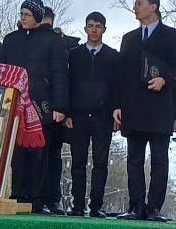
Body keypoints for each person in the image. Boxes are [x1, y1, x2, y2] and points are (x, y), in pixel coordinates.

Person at [115, 0, 176, 222]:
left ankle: (154, 208)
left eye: (139, 3)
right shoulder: (129, 38)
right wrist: (117, 105)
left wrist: (165, 80)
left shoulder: (173, 36)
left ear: (153, 6)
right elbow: (121, 75)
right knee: (134, 160)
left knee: (159, 160)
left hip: (160, 108)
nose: (135, 7)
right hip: (133, 108)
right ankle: (136, 206)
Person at [1, 0, 68, 214]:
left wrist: (60, 106)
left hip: (42, 105)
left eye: (27, 14)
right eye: (21, 14)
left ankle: (38, 200)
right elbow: (2, 72)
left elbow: (60, 74)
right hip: (15, 104)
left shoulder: (53, 40)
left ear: (38, 16)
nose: (23, 18)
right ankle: (18, 195)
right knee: (17, 154)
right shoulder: (10, 40)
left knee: (40, 154)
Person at [63, 12, 120, 218]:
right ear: (85, 28)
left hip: (102, 117)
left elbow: (118, 87)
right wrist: (67, 113)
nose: (94, 30)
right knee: (77, 162)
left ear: (104, 29)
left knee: (100, 163)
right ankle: (77, 205)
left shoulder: (113, 56)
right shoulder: (74, 55)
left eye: (98, 26)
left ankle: (96, 206)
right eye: (90, 25)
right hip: (77, 117)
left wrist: (116, 111)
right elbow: (67, 85)